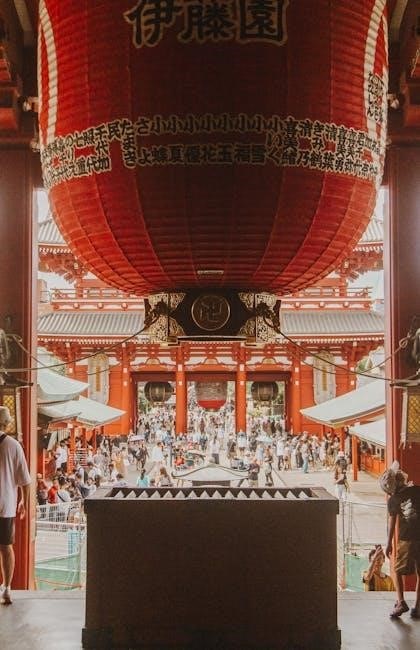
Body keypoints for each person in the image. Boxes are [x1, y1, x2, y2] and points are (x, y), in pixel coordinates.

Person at [380, 460, 420, 618]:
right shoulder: (417, 490)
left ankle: (401, 602)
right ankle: (417, 606)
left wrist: (389, 543)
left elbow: (393, 523)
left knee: (397, 570)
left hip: (406, 539)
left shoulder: (393, 500)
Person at [0, 406, 31, 605]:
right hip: (5, 505)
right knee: (6, 547)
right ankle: (7, 588)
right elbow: (25, 481)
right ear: (7, 424)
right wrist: (24, 502)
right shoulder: (13, 446)